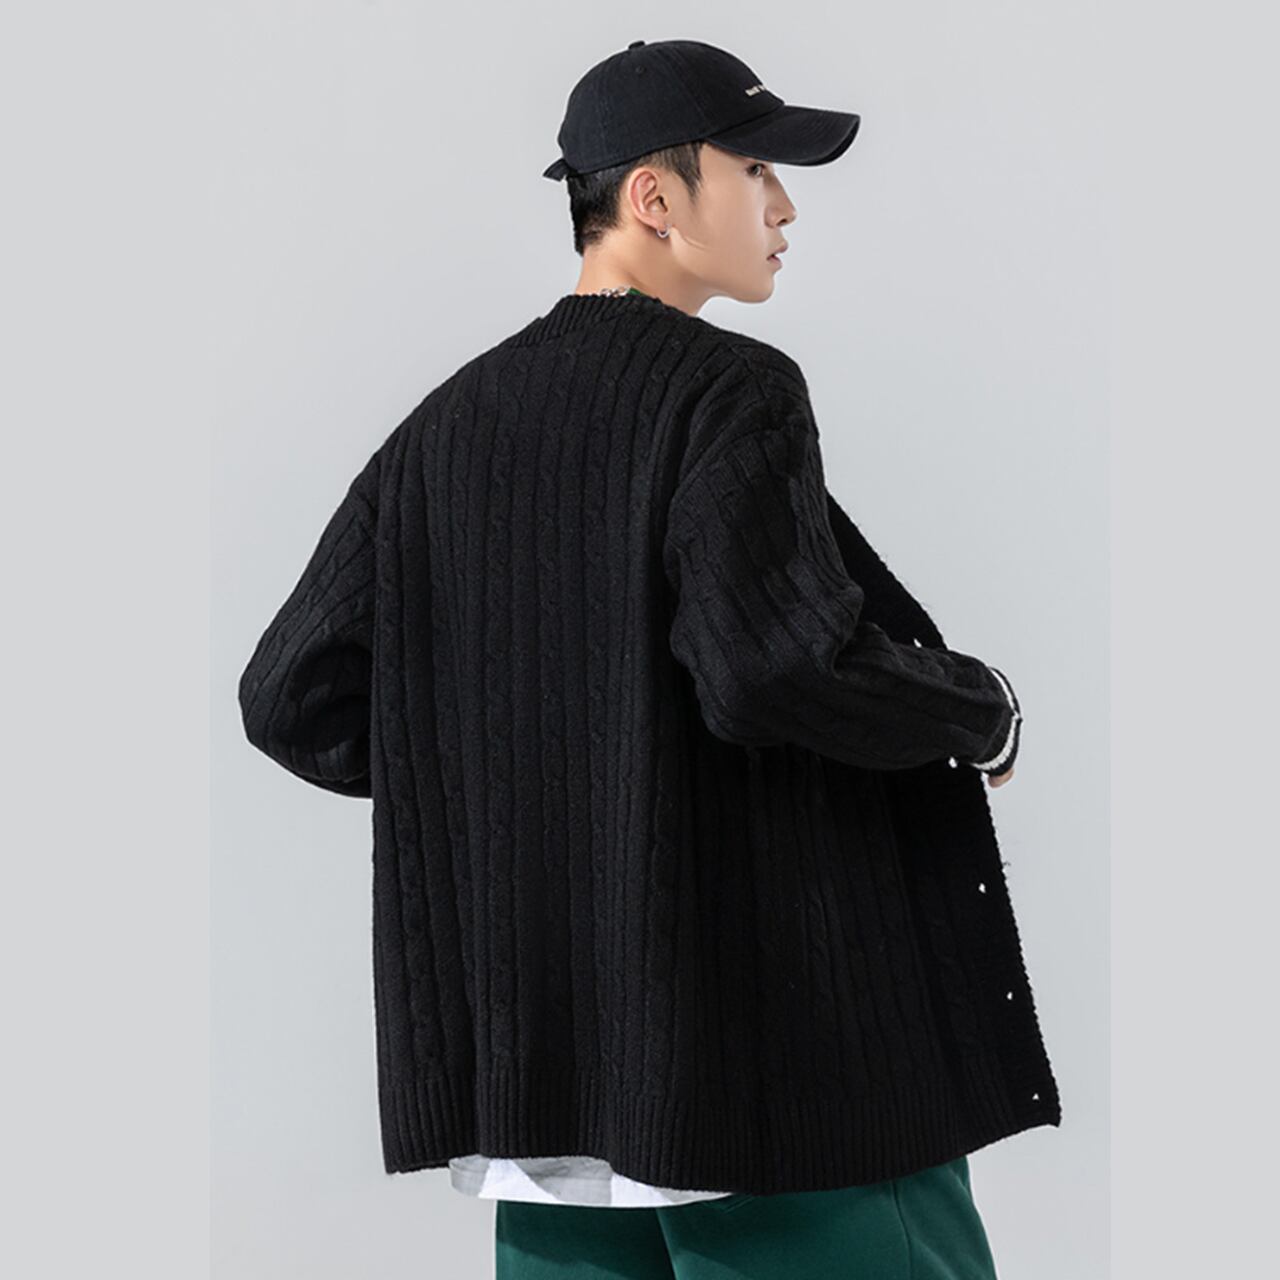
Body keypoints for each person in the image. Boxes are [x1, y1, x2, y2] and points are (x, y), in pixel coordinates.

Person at [237, 37, 1056, 1280]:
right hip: (771, 1074)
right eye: (755, 170)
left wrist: (505, 790)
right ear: (654, 197)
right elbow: (772, 663)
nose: (783, 206)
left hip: (547, 1095)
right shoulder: (726, 393)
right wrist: (975, 710)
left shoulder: (443, 431)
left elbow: (289, 692)